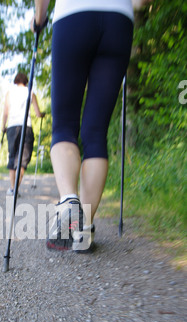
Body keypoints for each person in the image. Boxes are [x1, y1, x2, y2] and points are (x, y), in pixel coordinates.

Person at [33, 0, 150, 252]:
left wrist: (38, 18)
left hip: (73, 16)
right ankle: (84, 230)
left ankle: (68, 202)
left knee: (64, 127)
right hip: (119, 21)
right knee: (96, 132)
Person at [2, 72, 45, 195]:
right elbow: (37, 113)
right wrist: (42, 115)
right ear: (26, 81)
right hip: (26, 126)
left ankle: (12, 188)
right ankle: (15, 188)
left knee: (12, 156)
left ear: (16, 81)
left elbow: (5, 112)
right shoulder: (30, 92)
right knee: (23, 159)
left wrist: (3, 127)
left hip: (12, 127)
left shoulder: (9, 93)